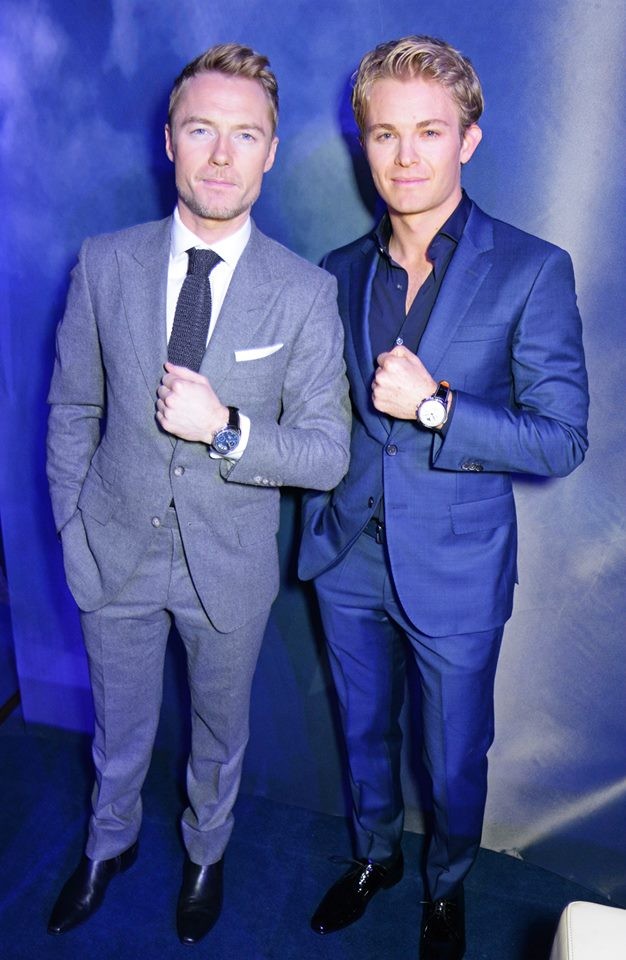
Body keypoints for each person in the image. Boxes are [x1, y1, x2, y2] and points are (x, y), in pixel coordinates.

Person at [46, 42, 350, 945]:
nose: (222, 155)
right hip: (111, 550)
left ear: (271, 151)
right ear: (169, 140)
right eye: (201, 129)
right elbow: (72, 408)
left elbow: (327, 455)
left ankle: (206, 855)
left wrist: (226, 427)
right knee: (118, 726)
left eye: (244, 135)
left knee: (220, 735)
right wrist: (72, 528)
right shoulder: (103, 263)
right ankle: (109, 843)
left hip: (228, 569)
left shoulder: (305, 293)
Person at [299, 35, 588, 960]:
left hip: (458, 567)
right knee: (362, 732)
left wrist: (437, 407)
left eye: (429, 131)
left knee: (455, 758)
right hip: (346, 554)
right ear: (364, 144)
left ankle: (446, 883)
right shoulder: (339, 271)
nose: (405, 155)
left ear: (468, 139)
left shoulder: (532, 268)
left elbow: (561, 438)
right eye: (385, 134)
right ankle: (375, 857)